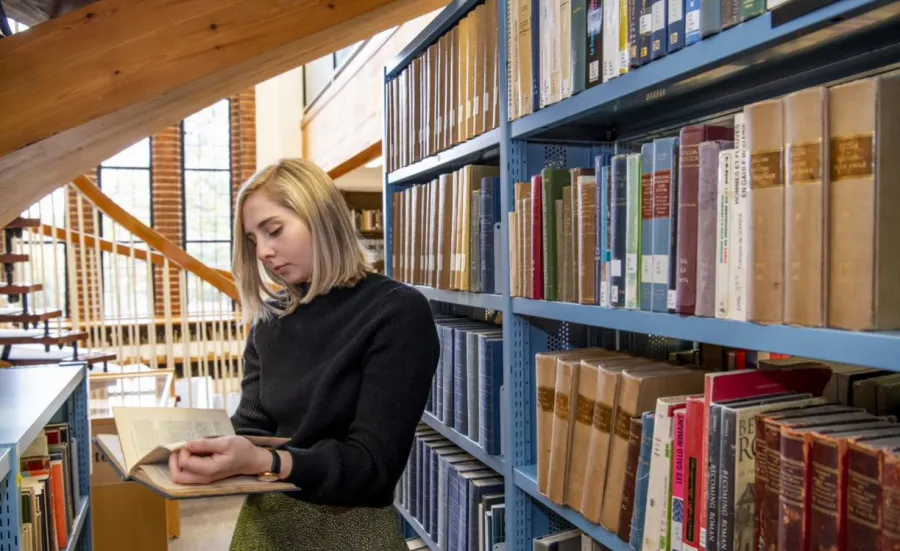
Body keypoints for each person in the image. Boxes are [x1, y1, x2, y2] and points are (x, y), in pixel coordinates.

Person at [167, 158, 441, 550]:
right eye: (252, 240)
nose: (262, 251)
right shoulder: (271, 318)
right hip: (261, 529)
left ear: (321, 217)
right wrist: (201, 448)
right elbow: (253, 426)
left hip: (348, 532)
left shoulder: (396, 311)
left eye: (273, 230)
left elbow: (372, 468)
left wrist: (267, 463)